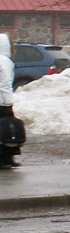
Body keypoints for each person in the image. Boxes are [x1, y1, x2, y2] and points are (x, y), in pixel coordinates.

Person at [0, 33, 21, 168]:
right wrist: (8, 102)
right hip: (2, 102)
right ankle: (7, 159)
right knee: (6, 131)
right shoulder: (4, 61)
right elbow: (6, 82)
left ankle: (5, 159)